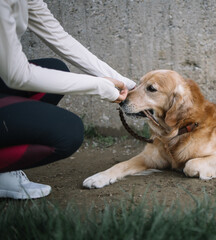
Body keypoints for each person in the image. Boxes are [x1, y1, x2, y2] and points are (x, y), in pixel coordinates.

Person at [0, 0, 136, 199]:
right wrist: (99, 87)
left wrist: (122, 81)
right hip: (13, 74)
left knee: (56, 68)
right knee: (68, 132)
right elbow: (17, 75)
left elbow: (58, 37)